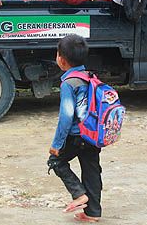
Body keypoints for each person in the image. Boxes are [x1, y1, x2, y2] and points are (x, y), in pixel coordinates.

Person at [48, 35, 103, 223]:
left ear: (61, 60)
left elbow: (66, 117)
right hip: (93, 134)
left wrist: (57, 144)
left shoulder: (68, 83)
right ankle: (93, 213)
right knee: (91, 170)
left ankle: (78, 194)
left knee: (56, 161)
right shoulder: (90, 76)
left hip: (76, 136)